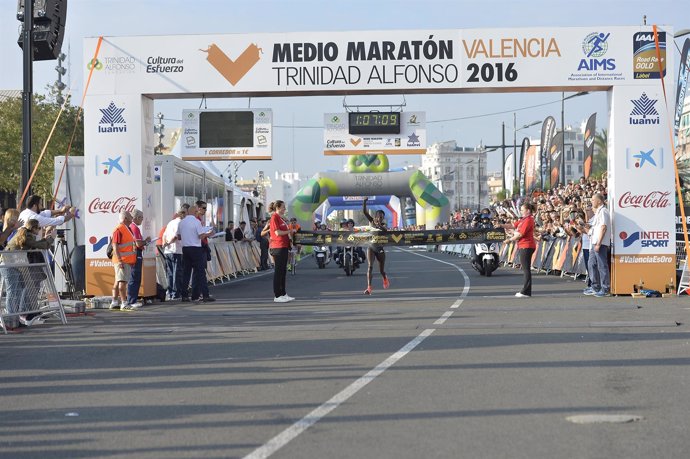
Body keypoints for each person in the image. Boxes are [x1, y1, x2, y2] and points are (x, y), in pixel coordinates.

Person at [5, 219, 54, 326]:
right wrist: (51, 239)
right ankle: (10, 320)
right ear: (34, 228)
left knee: (16, 292)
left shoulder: (26, 234)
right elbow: (41, 245)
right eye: (39, 228)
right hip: (9, 263)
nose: (40, 230)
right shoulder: (26, 235)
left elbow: (36, 244)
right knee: (13, 292)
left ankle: (16, 319)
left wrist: (47, 238)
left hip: (13, 263)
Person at [178, 204, 215, 302]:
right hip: (195, 248)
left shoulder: (181, 222)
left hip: (185, 249)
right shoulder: (196, 222)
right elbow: (201, 236)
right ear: (195, 212)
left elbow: (179, 237)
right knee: (200, 272)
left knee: (186, 273)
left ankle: (184, 296)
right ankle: (205, 295)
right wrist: (209, 234)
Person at [504, 202, 536, 298]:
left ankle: (526, 291)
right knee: (525, 269)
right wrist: (501, 225)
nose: (521, 211)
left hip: (527, 245)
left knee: (526, 269)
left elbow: (520, 234)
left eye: (522, 210)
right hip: (523, 245)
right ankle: (526, 291)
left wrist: (509, 240)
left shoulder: (528, 220)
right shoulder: (523, 219)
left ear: (528, 211)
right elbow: (513, 225)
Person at [110, 211, 138, 311]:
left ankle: (114, 302)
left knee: (118, 281)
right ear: (125, 218)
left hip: (125, 260)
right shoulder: (119, 229)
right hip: (122, 260)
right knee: (122, 281)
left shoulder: (126, 228)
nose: (132, 217)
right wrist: (120, 260)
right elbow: (115, 245)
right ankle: (124, 303)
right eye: (130, 216)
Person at [362, 197, 389, 295]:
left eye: (382, 217)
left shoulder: (384, 224)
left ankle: (385, 278)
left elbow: (386, 230)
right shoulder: (371, 221)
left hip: (380, 249)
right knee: (370, 266)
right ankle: (369, 288)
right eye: (378, 216)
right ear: (375, 216)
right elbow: (365, 212)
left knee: (381, 270)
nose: (380, 218)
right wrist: (364, 202)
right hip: (371, 247)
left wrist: (380, 225)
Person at [269, 200, 294, 303]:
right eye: (283, 207)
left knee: (283, 271)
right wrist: (289, 231)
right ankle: (277, 295)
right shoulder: (274, 217)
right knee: (278, 271)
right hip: (277, 247)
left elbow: (285, 230)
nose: (285, 209)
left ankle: (283, 293)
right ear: (278, 208)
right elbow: (277, 232)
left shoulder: (281, 218)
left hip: (284, 246)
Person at [586, 193, 611, 297]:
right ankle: (595, 286)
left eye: (593, 199)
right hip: (594, 242)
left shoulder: (604, 211)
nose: (592, 201)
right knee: (591, 264)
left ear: (599, 201)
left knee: (602, 265)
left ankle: (605, 288)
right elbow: (595, 228)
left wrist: (599, 243)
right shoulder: (598, 212)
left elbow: (603, 227)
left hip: (599, 243)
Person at [126, 209, 151, 308]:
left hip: (134, 253)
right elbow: (138, 243)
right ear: (136, 218)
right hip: (136, 253)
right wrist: (146, 241)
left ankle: (132, 299)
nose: (142, 220)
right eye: (141, 218)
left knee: (135, 277)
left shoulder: (132, 227)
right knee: (135, 276)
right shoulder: (134, 227)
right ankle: (132, 300)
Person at [162, 209, 185, 300]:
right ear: (182, 215)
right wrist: (169, 243)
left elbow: (164, 235)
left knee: (170, 273)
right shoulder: (180, 223)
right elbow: (176, 236)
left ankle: (170, 292)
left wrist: (165, 243)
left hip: (168, 251)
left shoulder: (171, 222)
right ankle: (175, 293)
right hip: (176, 250)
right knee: (177, 272)